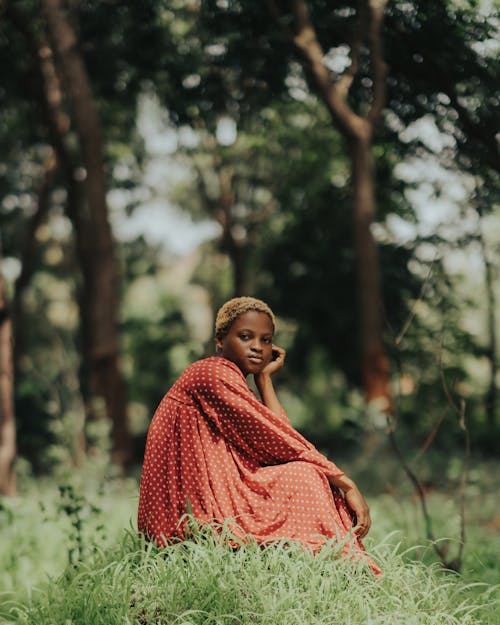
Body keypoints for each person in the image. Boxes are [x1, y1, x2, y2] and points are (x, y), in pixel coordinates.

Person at [138, 296, 381, 574]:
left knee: (306, 473)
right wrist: (346, 483)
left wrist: (264, 380)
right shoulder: (211, 372)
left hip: (219, 489)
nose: (257, 347)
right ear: (220, 340)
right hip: (195, 508)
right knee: (308, 475)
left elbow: (277, 434)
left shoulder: (233, 378)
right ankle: (343, 565)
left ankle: (334, 564)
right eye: (245, 336)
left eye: (266, 340)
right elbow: (277, 438)